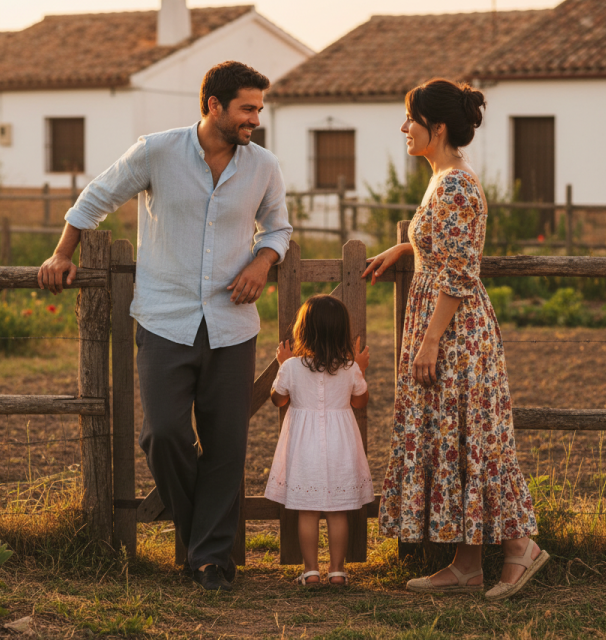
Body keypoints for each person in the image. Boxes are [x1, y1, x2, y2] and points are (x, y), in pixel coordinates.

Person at [37, 61, 292, 592]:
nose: (255, 119)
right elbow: (96, 198)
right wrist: (62, 253)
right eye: (247, 108)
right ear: (214, 106)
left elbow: (279, 227)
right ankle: (205, 539)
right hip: (163, 320)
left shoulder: (264, 166)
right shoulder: (156, 151)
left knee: (226, 443)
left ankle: (209, 561)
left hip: (232, 325)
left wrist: (263, 262)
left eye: (259, 110)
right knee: (163, 435)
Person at [362, 79, 548, 600]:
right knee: (454, 439)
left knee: (477, 440)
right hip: (444, 325)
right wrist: (405, 252)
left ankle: (520, 548)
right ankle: (466, 566)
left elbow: (462, 271)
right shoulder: (441, 179)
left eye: (410, 120)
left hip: (456, 333)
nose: (404, 128)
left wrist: (429, 341)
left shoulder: (458, 186)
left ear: (436, 127)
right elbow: (442, 246)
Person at [265, 294, 373, 588]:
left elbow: (278, 400)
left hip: (303, 446)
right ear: (341, 331)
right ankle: (337, 571)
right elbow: (360, 401)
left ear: (304, 330)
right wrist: (359, 367)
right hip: (341, 444)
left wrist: (283, 365)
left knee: (308, 510)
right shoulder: (349, 367)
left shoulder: (291, 366)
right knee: (338, 510)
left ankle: (311, 571)